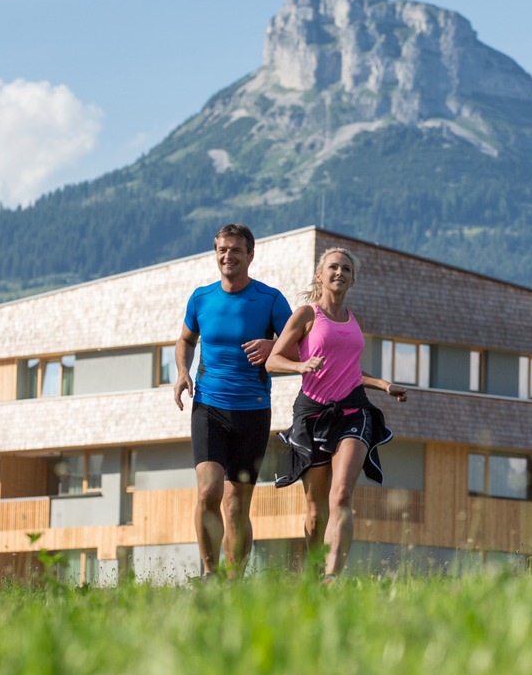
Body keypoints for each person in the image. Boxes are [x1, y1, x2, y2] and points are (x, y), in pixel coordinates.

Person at [266, 247, 408, 581]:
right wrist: (302, 365)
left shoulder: (353, 320)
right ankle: (314, 574)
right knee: (315, 511)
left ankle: (332, 577)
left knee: (341, 494)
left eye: (346, 269)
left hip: (353, 411)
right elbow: (273, 360)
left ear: (353, 279)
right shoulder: (306, 315)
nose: (339, 273)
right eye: (333, 267)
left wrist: (383, 385)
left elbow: (348, 371)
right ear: (320, 275)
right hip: (313, 413)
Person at [173, 223, 293, 580]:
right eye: (222, 250)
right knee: (209, 491)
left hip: (253, 410)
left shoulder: (270, 299)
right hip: (209, 405)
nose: (228, 256)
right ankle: (210, 574)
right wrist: (182, 372)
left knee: (236, 505)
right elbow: (185, 340)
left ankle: (233, 583)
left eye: (236, 250)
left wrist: (274, 345)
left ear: (250, 255)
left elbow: (301, 345)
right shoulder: (201, 298)